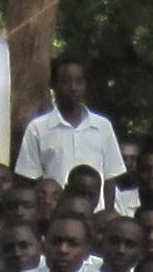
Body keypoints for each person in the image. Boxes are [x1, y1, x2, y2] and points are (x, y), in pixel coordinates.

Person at [15, 56, 126, 194]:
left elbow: (110, 177)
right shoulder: (37, 128)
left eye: (79, 82)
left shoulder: (103, 126)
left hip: (97, 212)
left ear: (85, 85)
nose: (73, 88)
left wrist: (108, 213)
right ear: (54, 85)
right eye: (66, 82)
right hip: (56, 212)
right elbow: (30, 177)